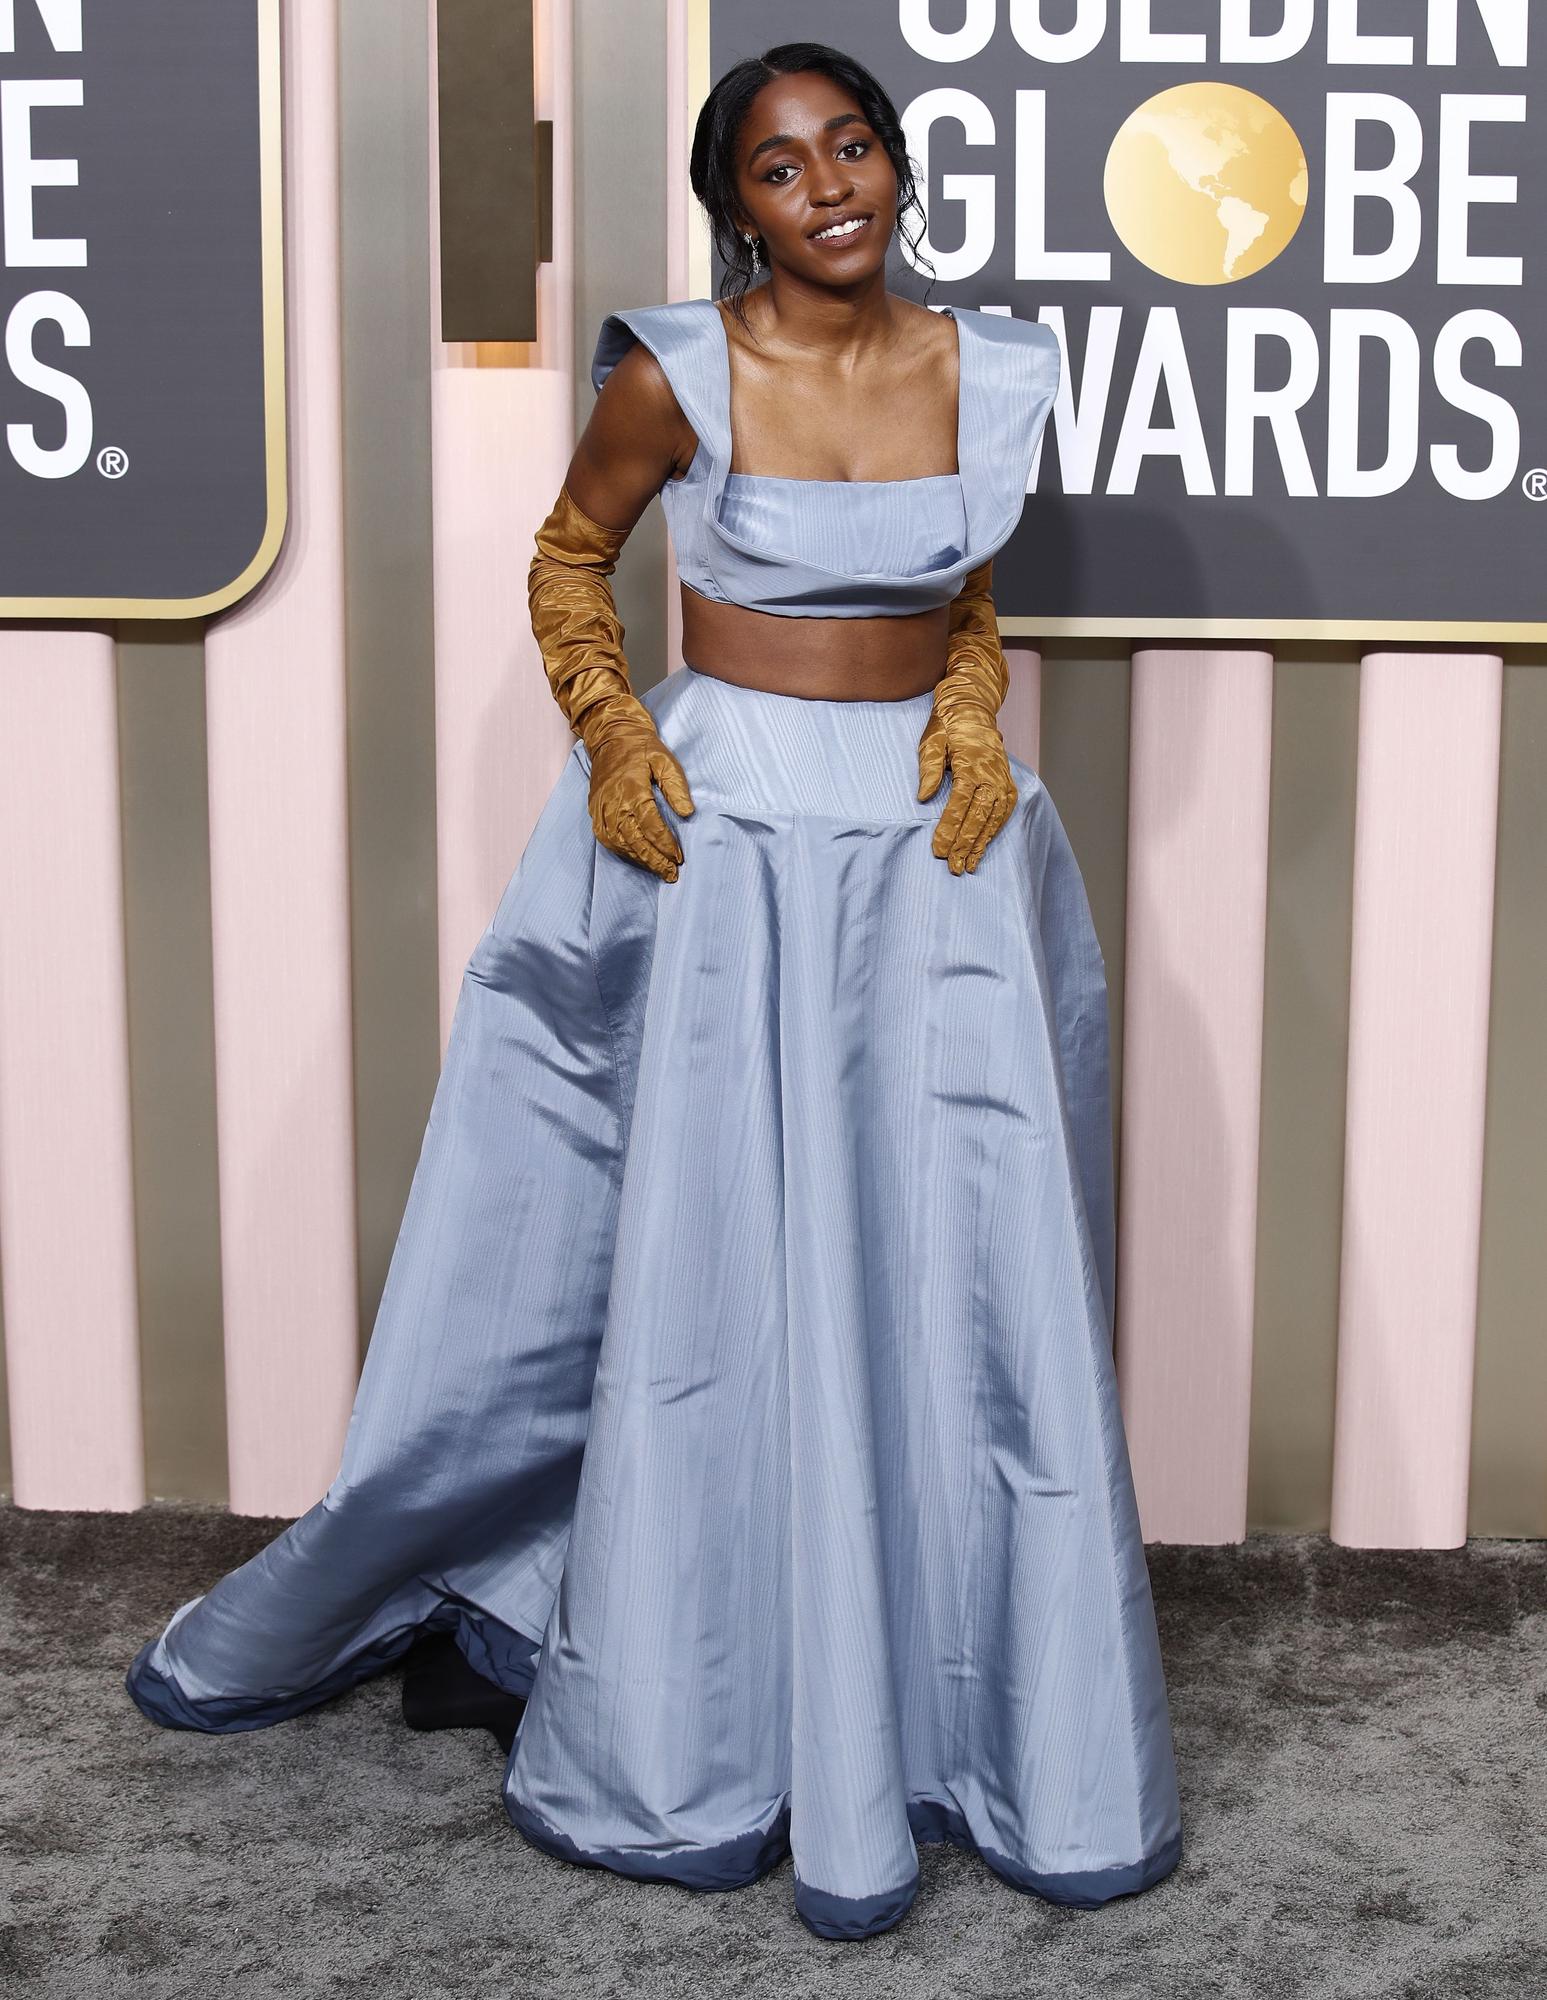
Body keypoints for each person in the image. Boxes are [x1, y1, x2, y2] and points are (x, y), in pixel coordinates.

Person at [125, 41, 1183, 1942]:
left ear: (895, 164)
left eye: (854, 145)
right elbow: (567, 562)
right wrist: (615, 731)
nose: (831, 185)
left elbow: (960, 590)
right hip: (734, 844)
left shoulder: (983, 365)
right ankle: (700, 1697)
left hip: (938, 852)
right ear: (737, 207)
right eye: (783, 168)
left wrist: (965, 702)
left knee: (949, 1264)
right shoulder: (674, 373)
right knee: (717, 1264)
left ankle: (963, 1706)